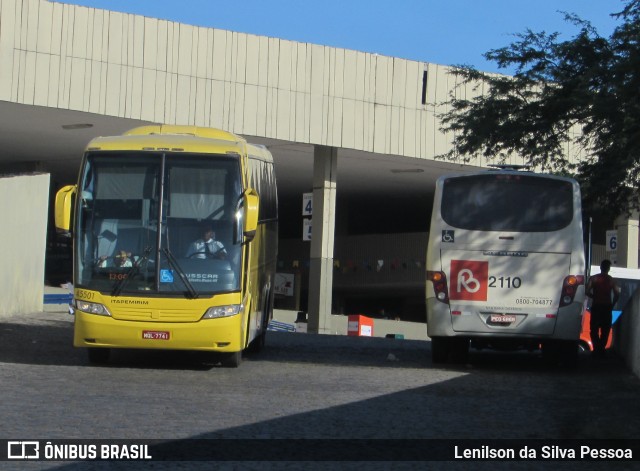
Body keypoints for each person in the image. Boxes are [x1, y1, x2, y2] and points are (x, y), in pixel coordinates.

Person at [586, 259, 620, 358]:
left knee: (594, 329)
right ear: (608, 269)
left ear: (600, 267)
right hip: (607, 307)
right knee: (605, 330)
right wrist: (612, 305)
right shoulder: (611, 280)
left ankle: (596, 349)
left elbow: (587, 291)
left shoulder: (593, 278)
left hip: (596, 306)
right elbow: (617, 294)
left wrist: (594, 296)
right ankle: (601, 349)